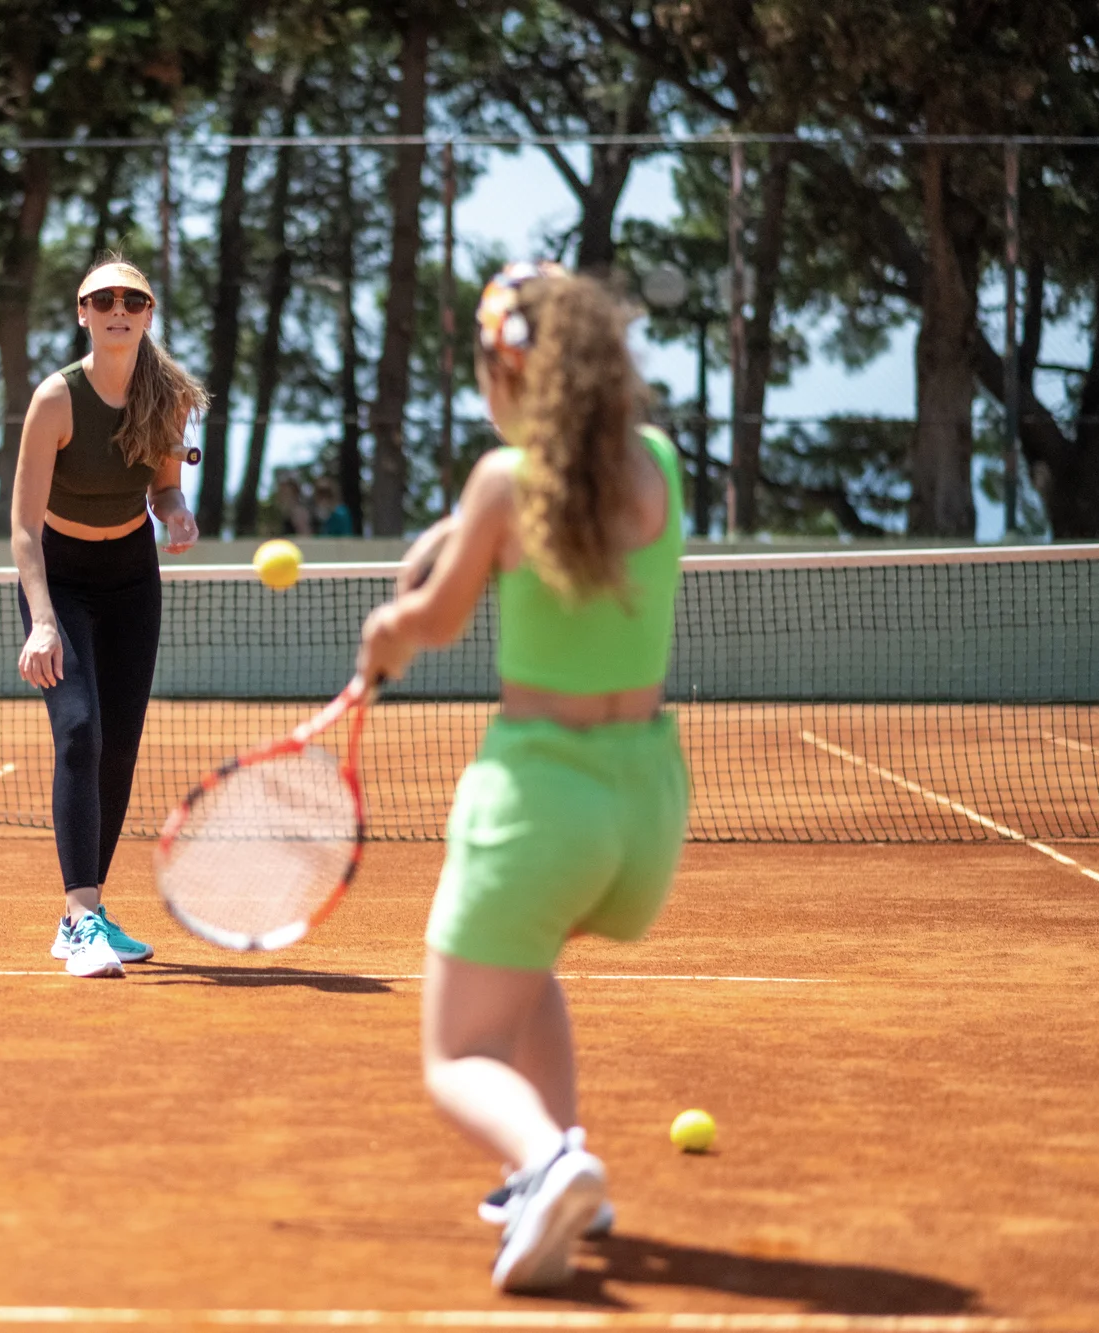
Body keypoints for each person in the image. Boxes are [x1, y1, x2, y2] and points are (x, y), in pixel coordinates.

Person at [355, 261, 688, 1292]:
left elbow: (432, 622)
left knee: (454, 1055)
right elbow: (548, 511)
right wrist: (463, 533)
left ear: (505, 374)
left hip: (541, 801)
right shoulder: (656, 465)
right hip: (644, 808)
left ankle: (546, 1161)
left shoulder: (502, 483)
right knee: (526, 958)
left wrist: (384, 631)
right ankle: (551, 1161)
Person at [12, 257, 207, 979]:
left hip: (131, 578)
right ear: (82, 312)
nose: (117, 308)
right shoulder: (55, 400)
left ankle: (83, 916)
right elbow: (22, 528)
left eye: (132, 299)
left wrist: (177, 512)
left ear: (149, 314)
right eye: (103, 300)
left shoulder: (169, 398)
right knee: (79, 730)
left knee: (119, 748)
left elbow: (163, 491)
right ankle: (80, 914)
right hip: (58, 578)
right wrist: (42, 621)